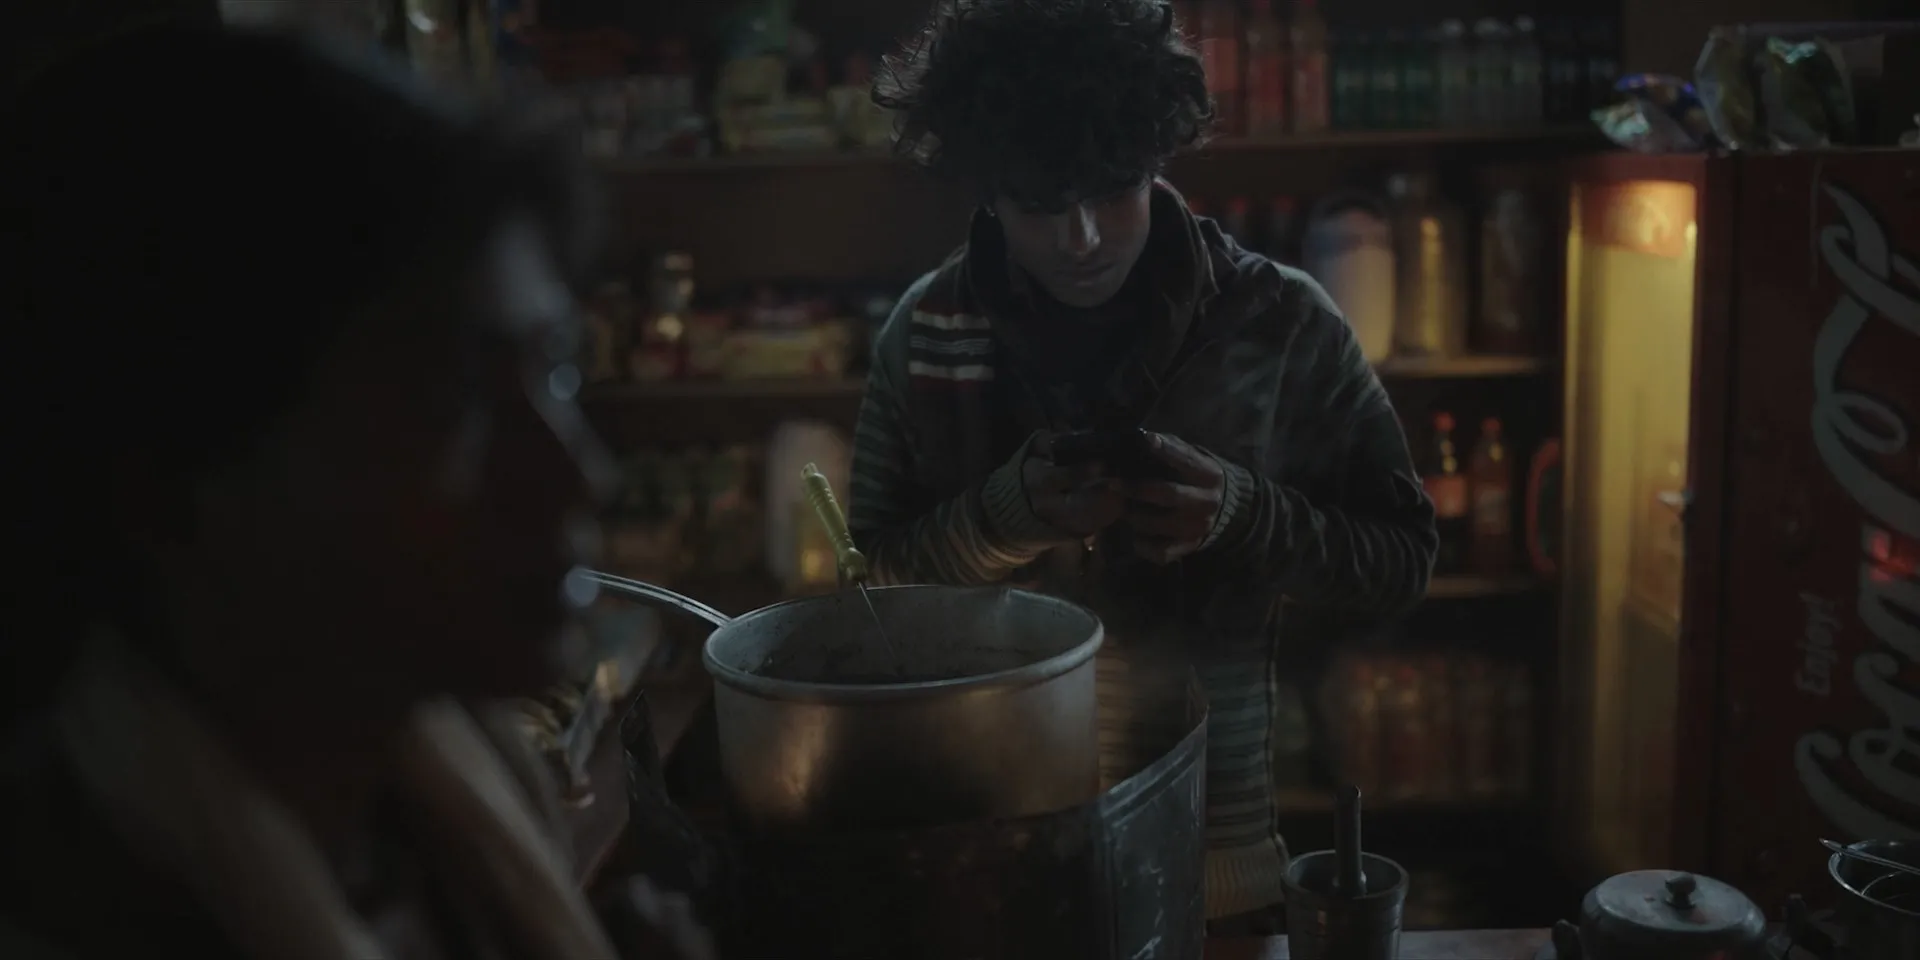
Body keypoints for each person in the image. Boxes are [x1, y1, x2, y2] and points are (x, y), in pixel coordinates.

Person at [0, 23, 712, 960]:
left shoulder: (452, 797)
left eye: (554, 372)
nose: (580, 473)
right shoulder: (77, 913)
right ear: (175, 476)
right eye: (457, 401)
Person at [854, 0, 1438, 930]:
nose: (1082, 239)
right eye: (1041, 206)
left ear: (1160, 155)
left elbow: (1401, 562)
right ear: (987, 190)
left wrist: (1244, 515)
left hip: (1219, 874)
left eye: (1113, 190)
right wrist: (1002, 520)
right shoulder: (925, 333)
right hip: (982, 869)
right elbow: (865, 603)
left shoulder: (1281, 322)